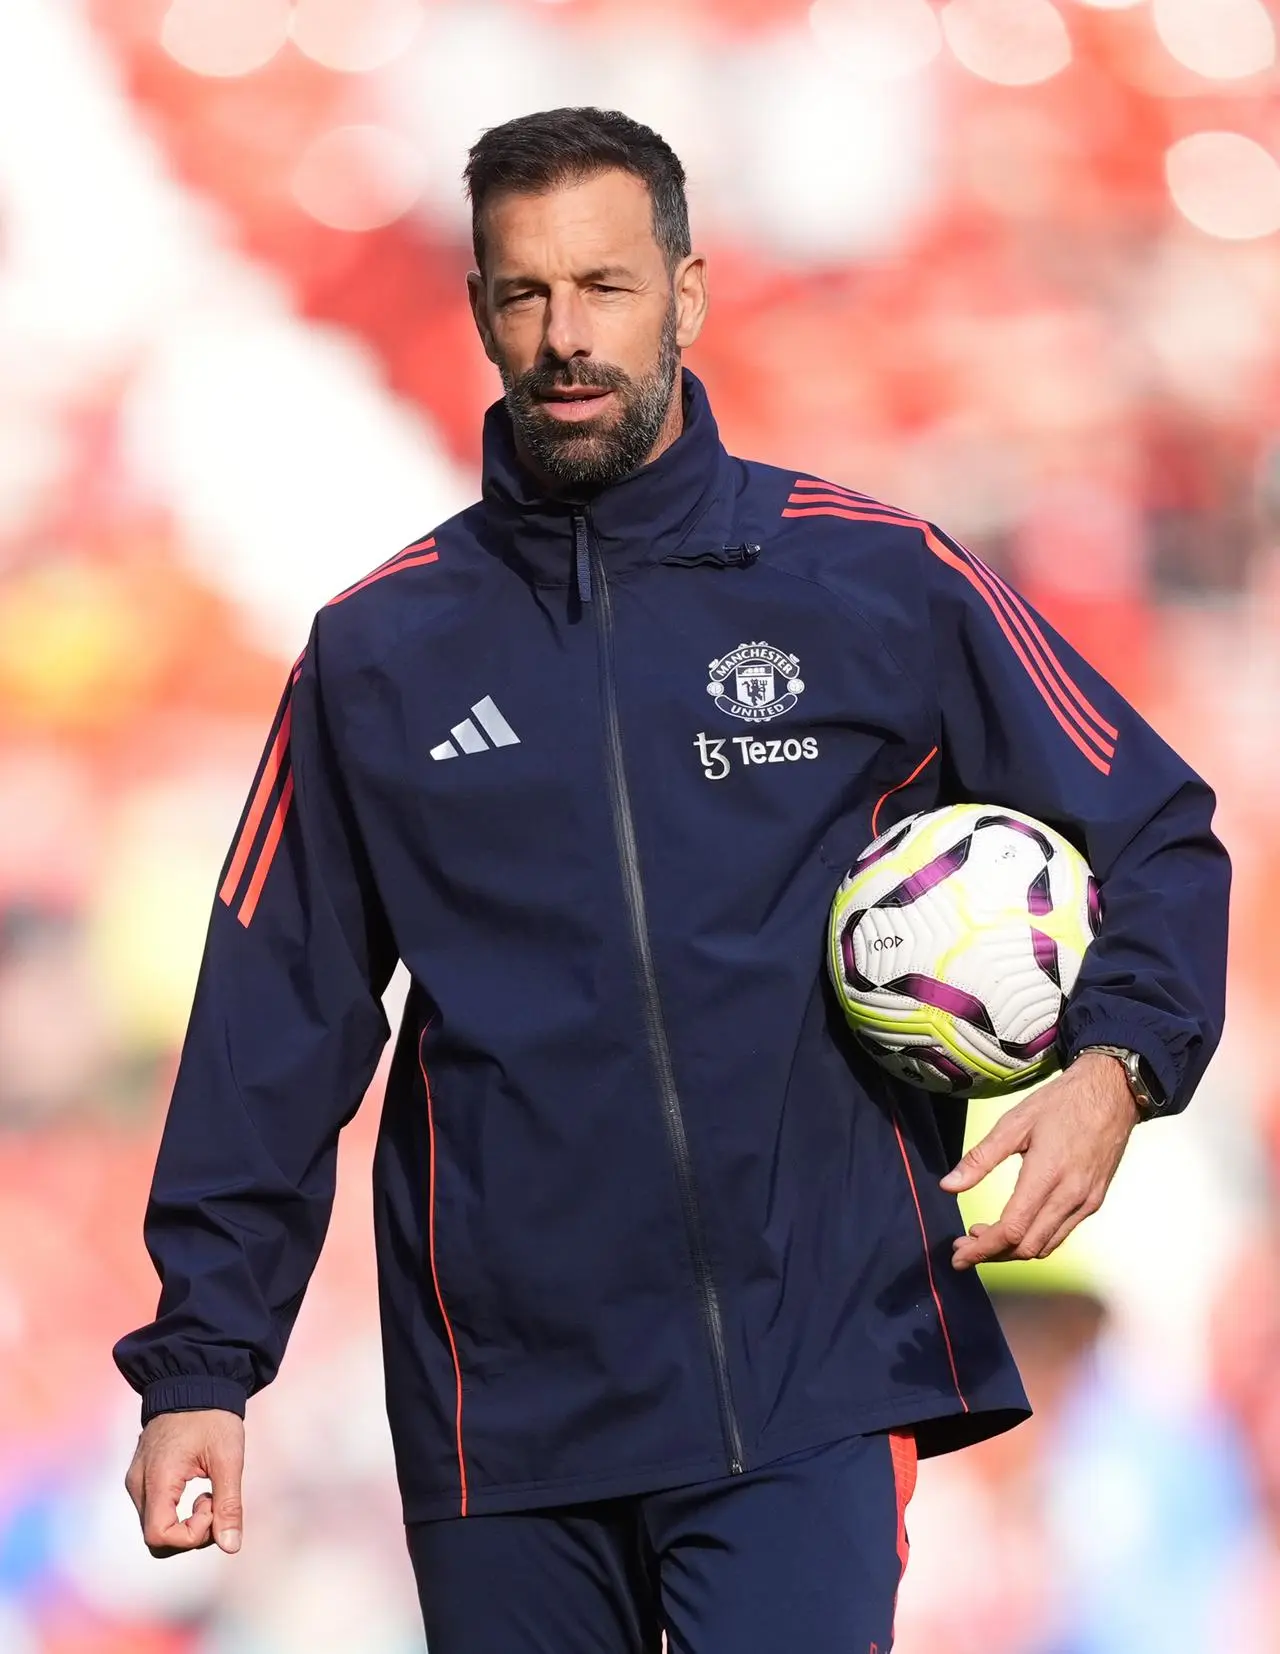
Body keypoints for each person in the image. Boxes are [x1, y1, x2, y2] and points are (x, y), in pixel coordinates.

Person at [115, 107, 1230, 1653]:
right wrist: (199, 1367)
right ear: (481, 314)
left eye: (608, 285)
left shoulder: (874, 576)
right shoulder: (376, 652)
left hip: (810, 1373)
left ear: (688, 295)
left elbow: (1159, 825)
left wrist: (1117, 1066)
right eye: (526, 294)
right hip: (502, 1414)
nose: (568, 337)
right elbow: (271, 1020)